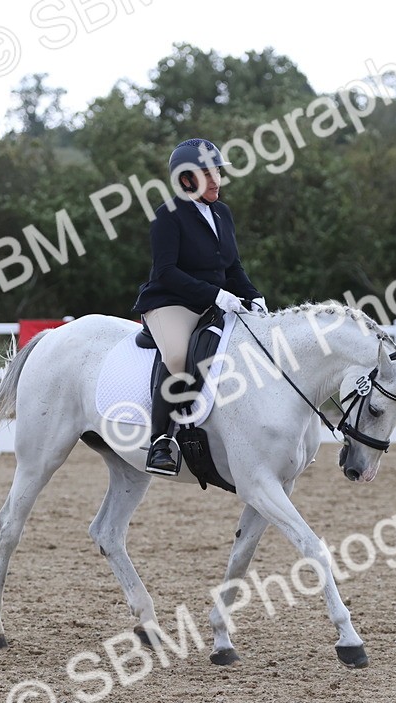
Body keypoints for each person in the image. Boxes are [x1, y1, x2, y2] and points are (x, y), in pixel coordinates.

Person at [132, 138, 267, 475]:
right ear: (186, 178)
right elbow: (166, 271)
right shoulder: (168, 215)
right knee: (177, 357)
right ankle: (160, 440)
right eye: (207, 174)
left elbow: (232, 266)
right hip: (171, 302)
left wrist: (253, 295)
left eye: (217, 172)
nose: (216, 180)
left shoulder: (222, 213)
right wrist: (214, 294)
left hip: (214, 300)